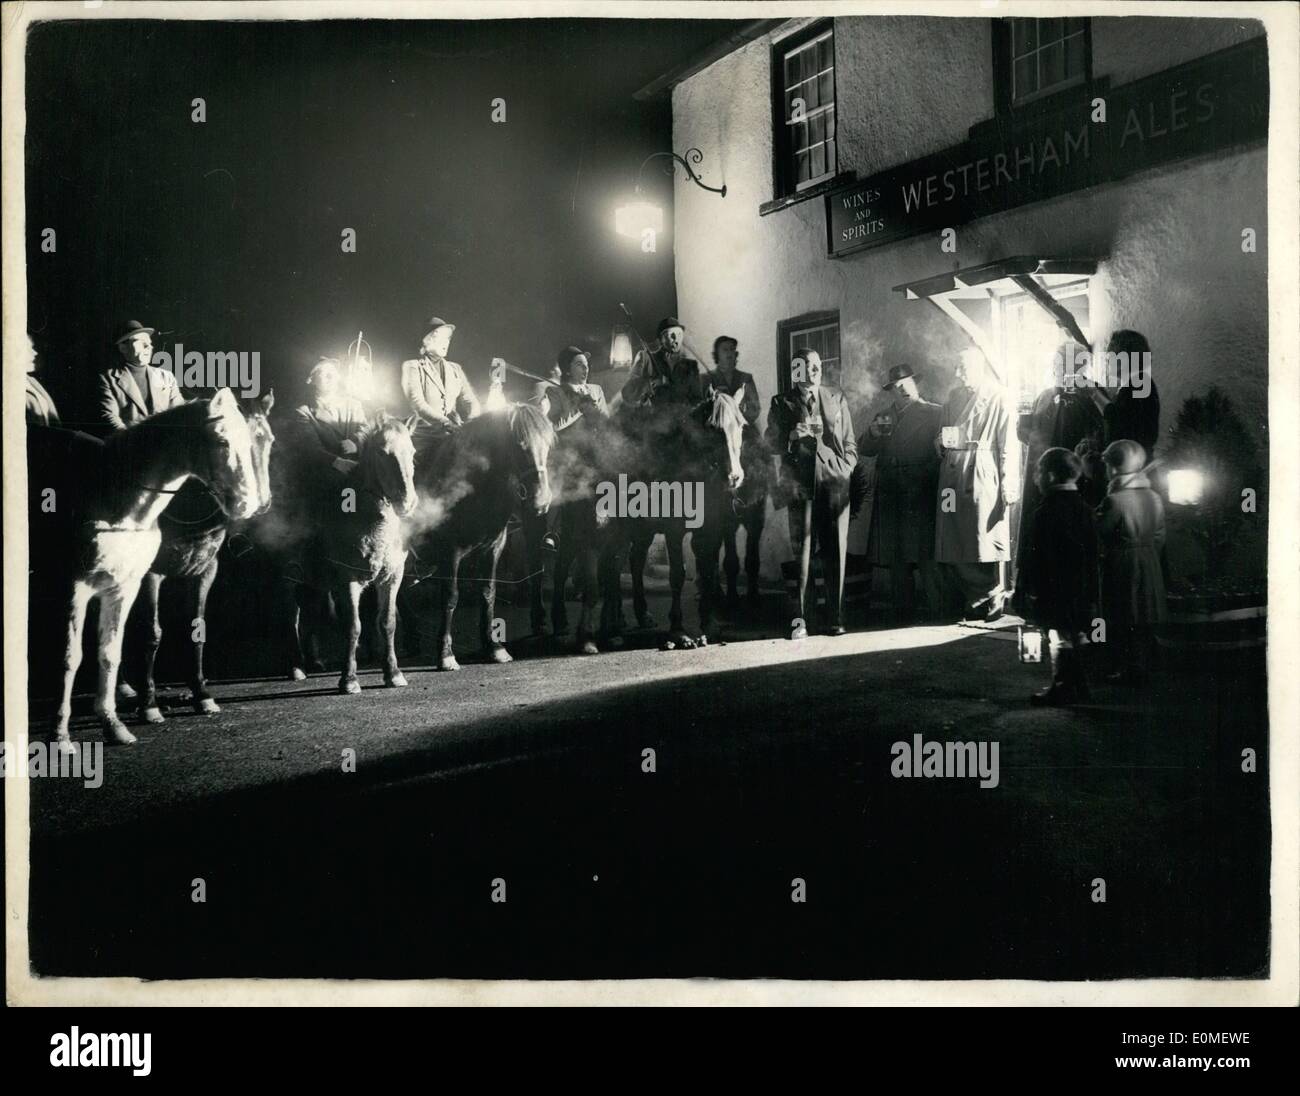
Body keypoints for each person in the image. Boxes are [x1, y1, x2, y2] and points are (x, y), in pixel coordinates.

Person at [765, 349, 857, 639]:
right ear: (795, 370)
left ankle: (835, 618)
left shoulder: (836, 397)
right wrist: (791, 436)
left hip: (835, 484)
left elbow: (849, 441)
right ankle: (801, 620)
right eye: (804, 366)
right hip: (799, 483)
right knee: (802, 553)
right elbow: (770, 443)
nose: (812, 370)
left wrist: (846, 468)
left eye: (816, 365)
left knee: (835, 552)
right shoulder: (782, 402)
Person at [934, 346, 1020, 621]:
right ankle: (974, 597)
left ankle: (992, 594)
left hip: (982, 470)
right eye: (956, 368)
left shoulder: (999, 396)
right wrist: (940, 441)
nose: (958, 375)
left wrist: (1009, 482)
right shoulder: (954, 398)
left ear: (979, 367)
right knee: (952, 536)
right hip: (951, 473)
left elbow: (1008, 444)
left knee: (982, 536)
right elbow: (945, 432)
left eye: (963, 368)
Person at [1016, 448, 1099, 706]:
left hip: (1053, 587)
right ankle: (1081, 684)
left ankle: (1063, 686)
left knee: (1058, 636)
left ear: (1050, 476)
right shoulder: (1085, 509)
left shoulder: (1044, 512)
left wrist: (1024, 589)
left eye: (1038, 472)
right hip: (1082, 587)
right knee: (1077, 634)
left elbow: (1034, 556)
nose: (1035, 478)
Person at [860, 364, 943, 621]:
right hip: (890, 490)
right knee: (897, 555)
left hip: (920, 489)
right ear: (891, 392)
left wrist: (923, 475)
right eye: (896, 387)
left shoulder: (934, 413)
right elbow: (866, 449)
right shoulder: (884, 415)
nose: (902, 389)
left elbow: (943, 453)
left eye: (907, 383)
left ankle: (939, 608)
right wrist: (872, 434)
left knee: (926, 552)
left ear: (916, 384)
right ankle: (902, 610)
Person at [1015, 340, 1104, 580]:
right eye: (1054, 363)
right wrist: (1023, 424)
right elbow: (1027, 435)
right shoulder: (1044, 395)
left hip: (1073, 482)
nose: (1054, 368)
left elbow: (1098, 432)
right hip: (1043, 479)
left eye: (1059, 363)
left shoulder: (1091, 393)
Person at [1097, 438, 1167, 686]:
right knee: (1143, 614)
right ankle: (1143, 664)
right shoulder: (1154, 497)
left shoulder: (1114, 501)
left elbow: (1100, 532)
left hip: (1122, 561)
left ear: (1112, 468)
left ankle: (1126, 667)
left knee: (1122, 614)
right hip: (1147, 559)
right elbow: (1160, 534)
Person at [707, 336, 764, 604]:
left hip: (742, 434)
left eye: (733, 351)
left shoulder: (745, 378)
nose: (731, 354)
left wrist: (735, 407)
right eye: (725, 350)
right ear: (717, 354)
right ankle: (726, 586)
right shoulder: (708, 379)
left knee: (760, 454)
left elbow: (754, 409)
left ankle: (753, 586)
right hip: (719, 440)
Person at [400, 316, 481, 466]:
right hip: (424, 437)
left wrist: (473, 420)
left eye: (448, 338)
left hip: (454, 434)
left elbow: (470, 399)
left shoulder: (455, 369)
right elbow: (418, 404)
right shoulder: (413, 367)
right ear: (427, 340)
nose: (446, 342)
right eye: (441, 338)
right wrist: (445, 423)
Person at [96, 320, 185, 431]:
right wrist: (133, 442)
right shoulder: (108, 379)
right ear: (123, 348)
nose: (149, 346)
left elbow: (180, 413)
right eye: (140, 341)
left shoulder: (167, 377)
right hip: (129, 445)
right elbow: (110, 417)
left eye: (149, 342)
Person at [620, 317, 705, 409]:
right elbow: (627, 393)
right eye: (671, 334)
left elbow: (697, 400)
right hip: (654, 419)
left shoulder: (691, 366)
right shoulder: (646, 358)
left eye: (679, 334)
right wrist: (649, 384)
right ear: (661, 339)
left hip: (683, 418)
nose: (676, 338)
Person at [546, 346, 608, 431]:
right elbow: (554, 425)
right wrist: (580, 408)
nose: (585, 368)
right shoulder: (554, 392)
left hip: (595, 442)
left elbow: (606, 423)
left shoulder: (596, 390)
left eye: (586, 364)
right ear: (567, 370)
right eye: (579, 364)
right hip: (570, 443)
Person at [24, 334, 60, 426]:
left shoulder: (31, 381)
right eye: (27, 349)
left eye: (32, 347)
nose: (35, 353)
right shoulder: (10, 386)